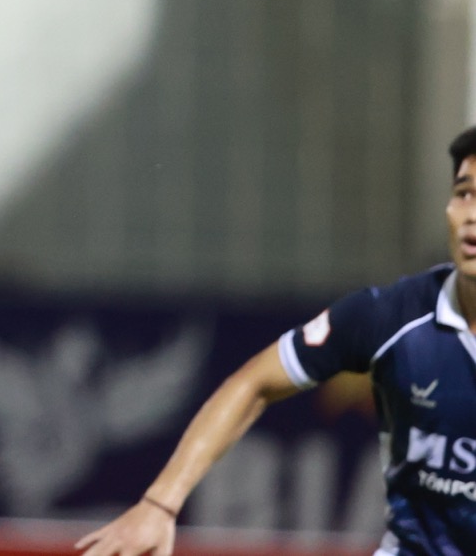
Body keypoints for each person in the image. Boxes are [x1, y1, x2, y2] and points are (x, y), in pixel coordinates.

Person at [78, 125, 476, 556]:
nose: (471, 213)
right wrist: (159, 505)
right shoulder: (390, 315)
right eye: (464, 193)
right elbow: (253, 384)